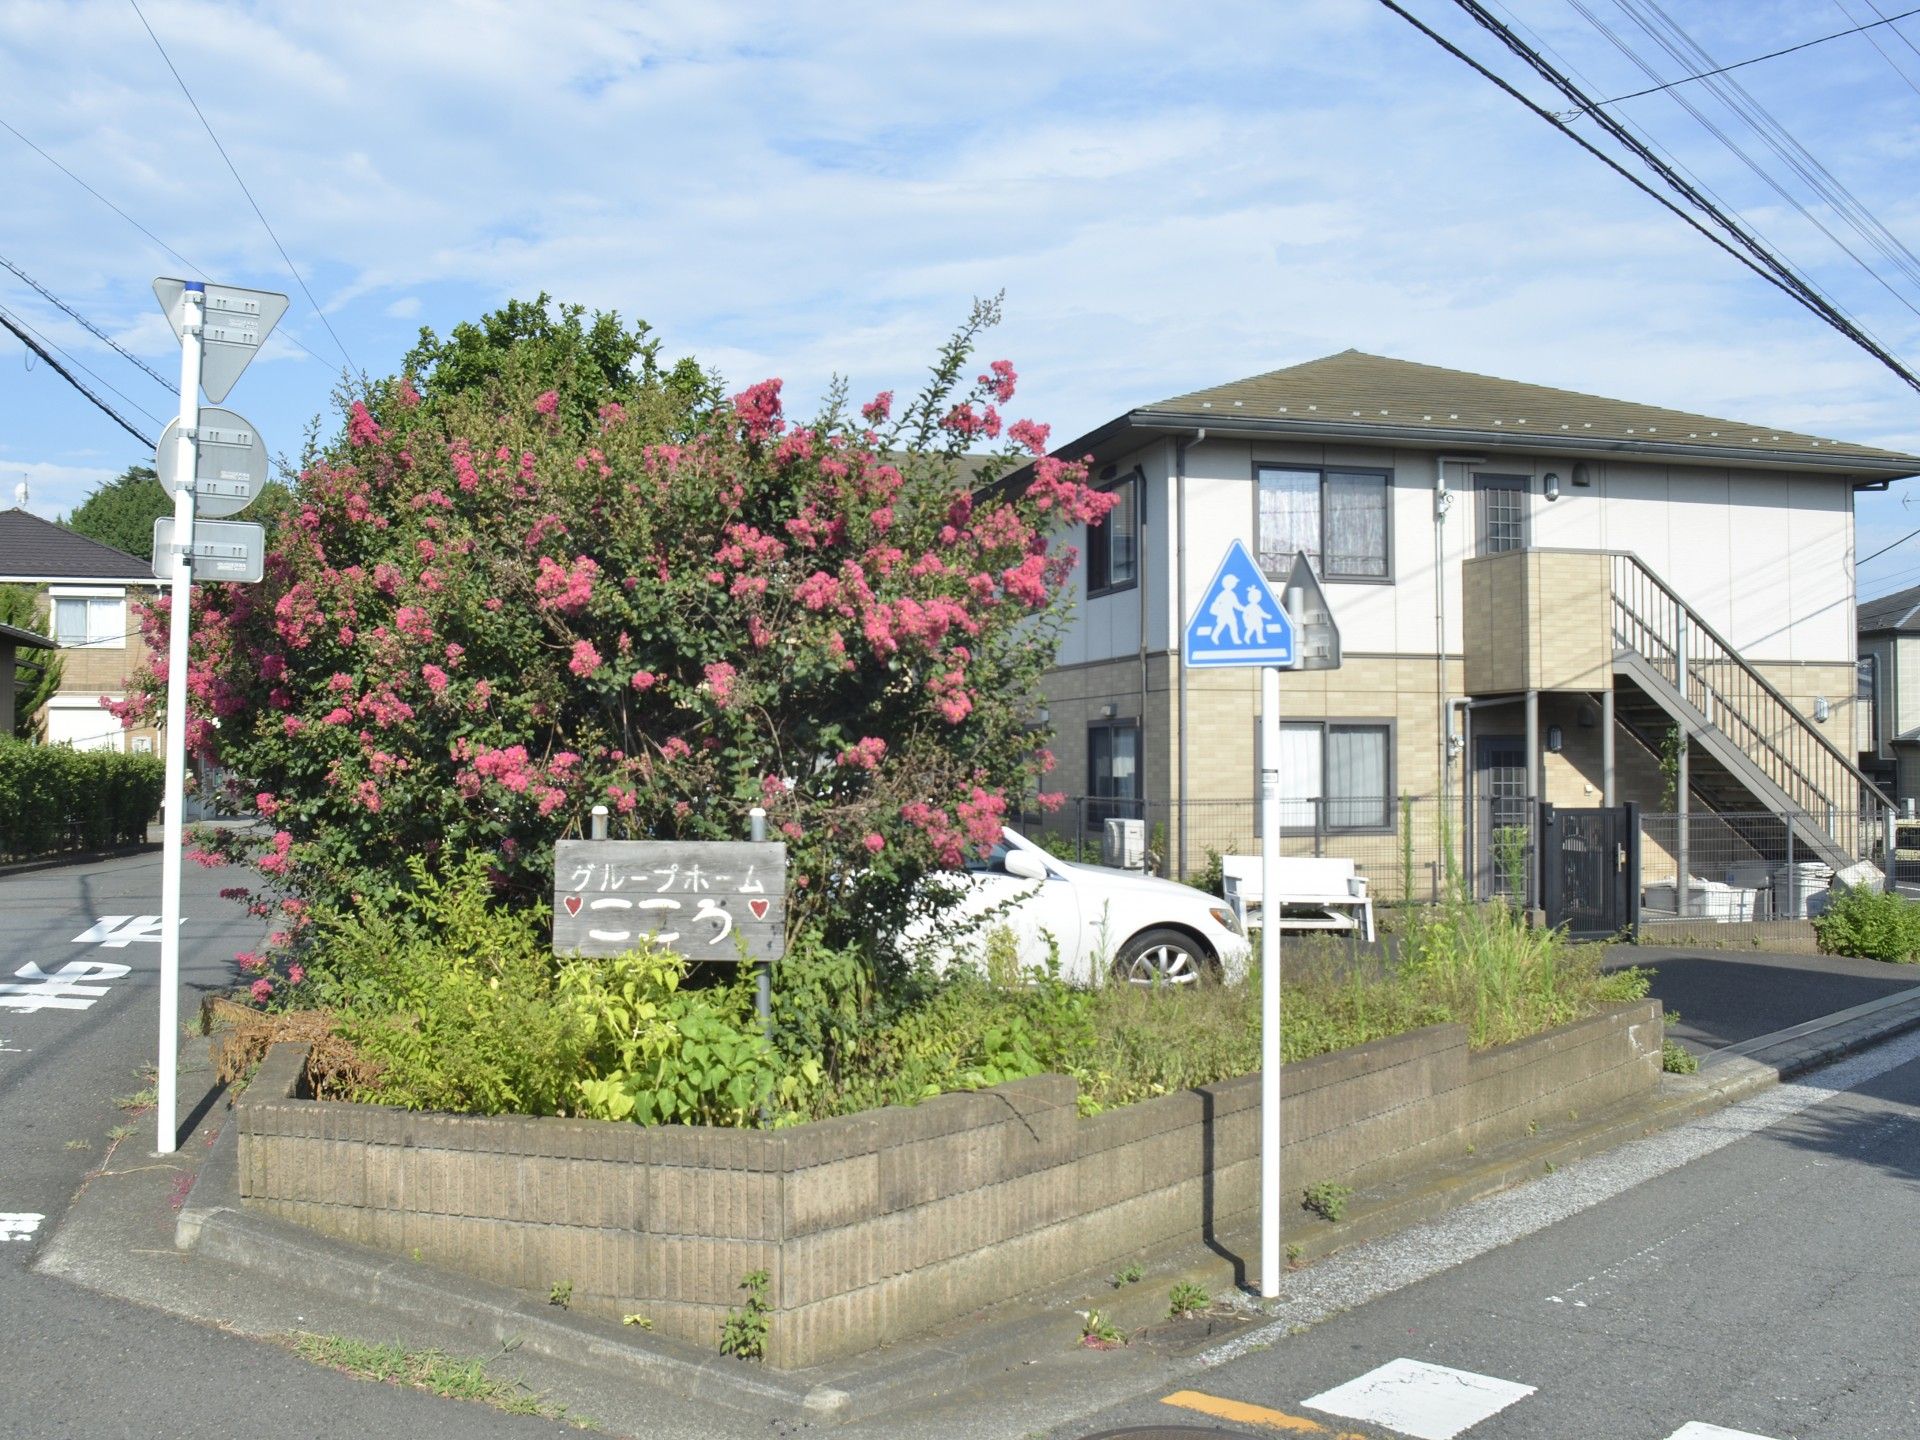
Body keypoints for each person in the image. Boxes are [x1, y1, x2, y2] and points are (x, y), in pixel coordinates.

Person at [1206, 578, 1244, 644]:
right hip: (1223, 614)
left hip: (1229, 614)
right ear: (1229, 584)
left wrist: (1244, 609)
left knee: (1233, 626)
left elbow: (1236, 605)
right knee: (1221, 626)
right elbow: (1217, 603)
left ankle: (1235, 639)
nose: (1235, 584)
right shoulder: (1223, 594)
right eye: (1234, 583)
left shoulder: (1231, 594)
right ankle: (1214, 636)